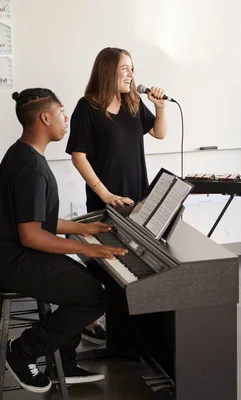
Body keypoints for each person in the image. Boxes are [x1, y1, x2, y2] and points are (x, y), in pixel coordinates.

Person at [0, 88, 128, 393]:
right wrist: (88, 249)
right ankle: (23, 351)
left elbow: (36, 218)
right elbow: (32, 234)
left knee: (84, 280)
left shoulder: (21, 153)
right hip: (14, 262)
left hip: (15, 254)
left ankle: (65, 364)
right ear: (45, 117)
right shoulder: (31, 168)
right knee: (94, 295)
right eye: (61, 113)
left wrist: (83, 229)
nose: (65, 119)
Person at [66, 47, 168, 342]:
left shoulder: (133, 103)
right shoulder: (87, 108)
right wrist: (105, 193)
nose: (131, 74)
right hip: (105, 200)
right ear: (108, 70)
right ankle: (96, 324)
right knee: (110, 268)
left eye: (132, 68)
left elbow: (159, 133)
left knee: (136, 264)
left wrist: (160, 107)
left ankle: (133, 336)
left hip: (136, 198)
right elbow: (79, 156)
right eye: (125, 68)